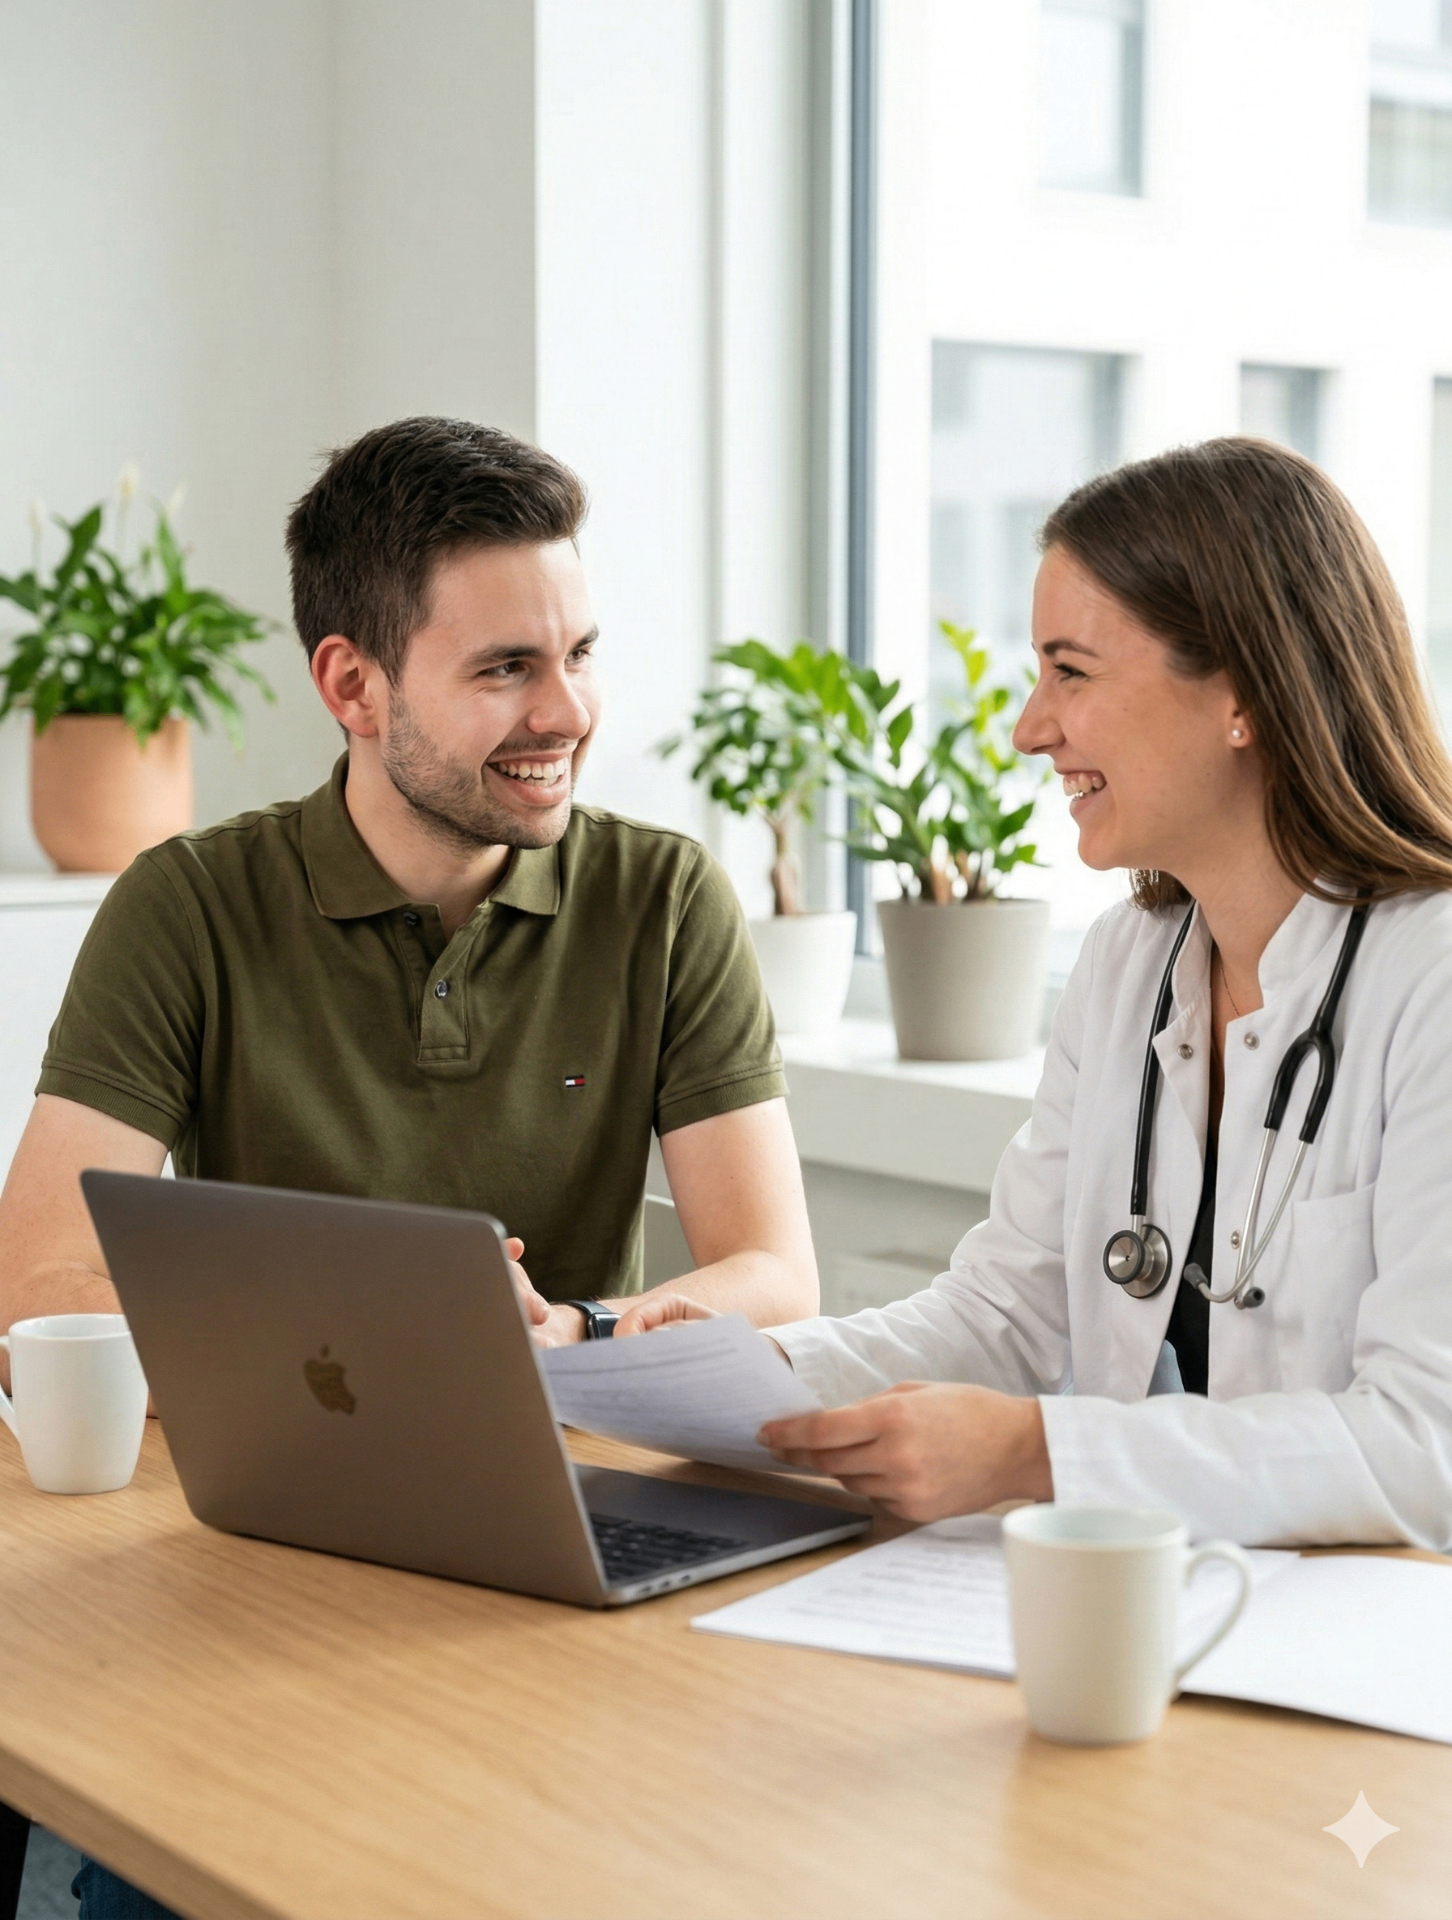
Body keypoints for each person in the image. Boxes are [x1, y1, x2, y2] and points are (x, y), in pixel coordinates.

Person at [0, 417, 818, 1920]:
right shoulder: (186, 906)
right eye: (506, 667)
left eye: (579, 652)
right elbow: (41, 1281)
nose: (566, 709)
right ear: (352, 686)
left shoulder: (665, 898)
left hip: (551, 1550)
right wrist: (359, 1359)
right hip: (257, 1559)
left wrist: (568, 1332)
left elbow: (773, 1269)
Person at [641, 436, 1452, 1553]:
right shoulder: (1135, 962)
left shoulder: (1433, 979)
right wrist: (711, 1377)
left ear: (1245, 694)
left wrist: (1038, 1452)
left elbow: (1427, 1449)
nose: (1029, 727)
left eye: (1071, 672)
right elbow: (1002, 1315)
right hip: (1172, 1611)